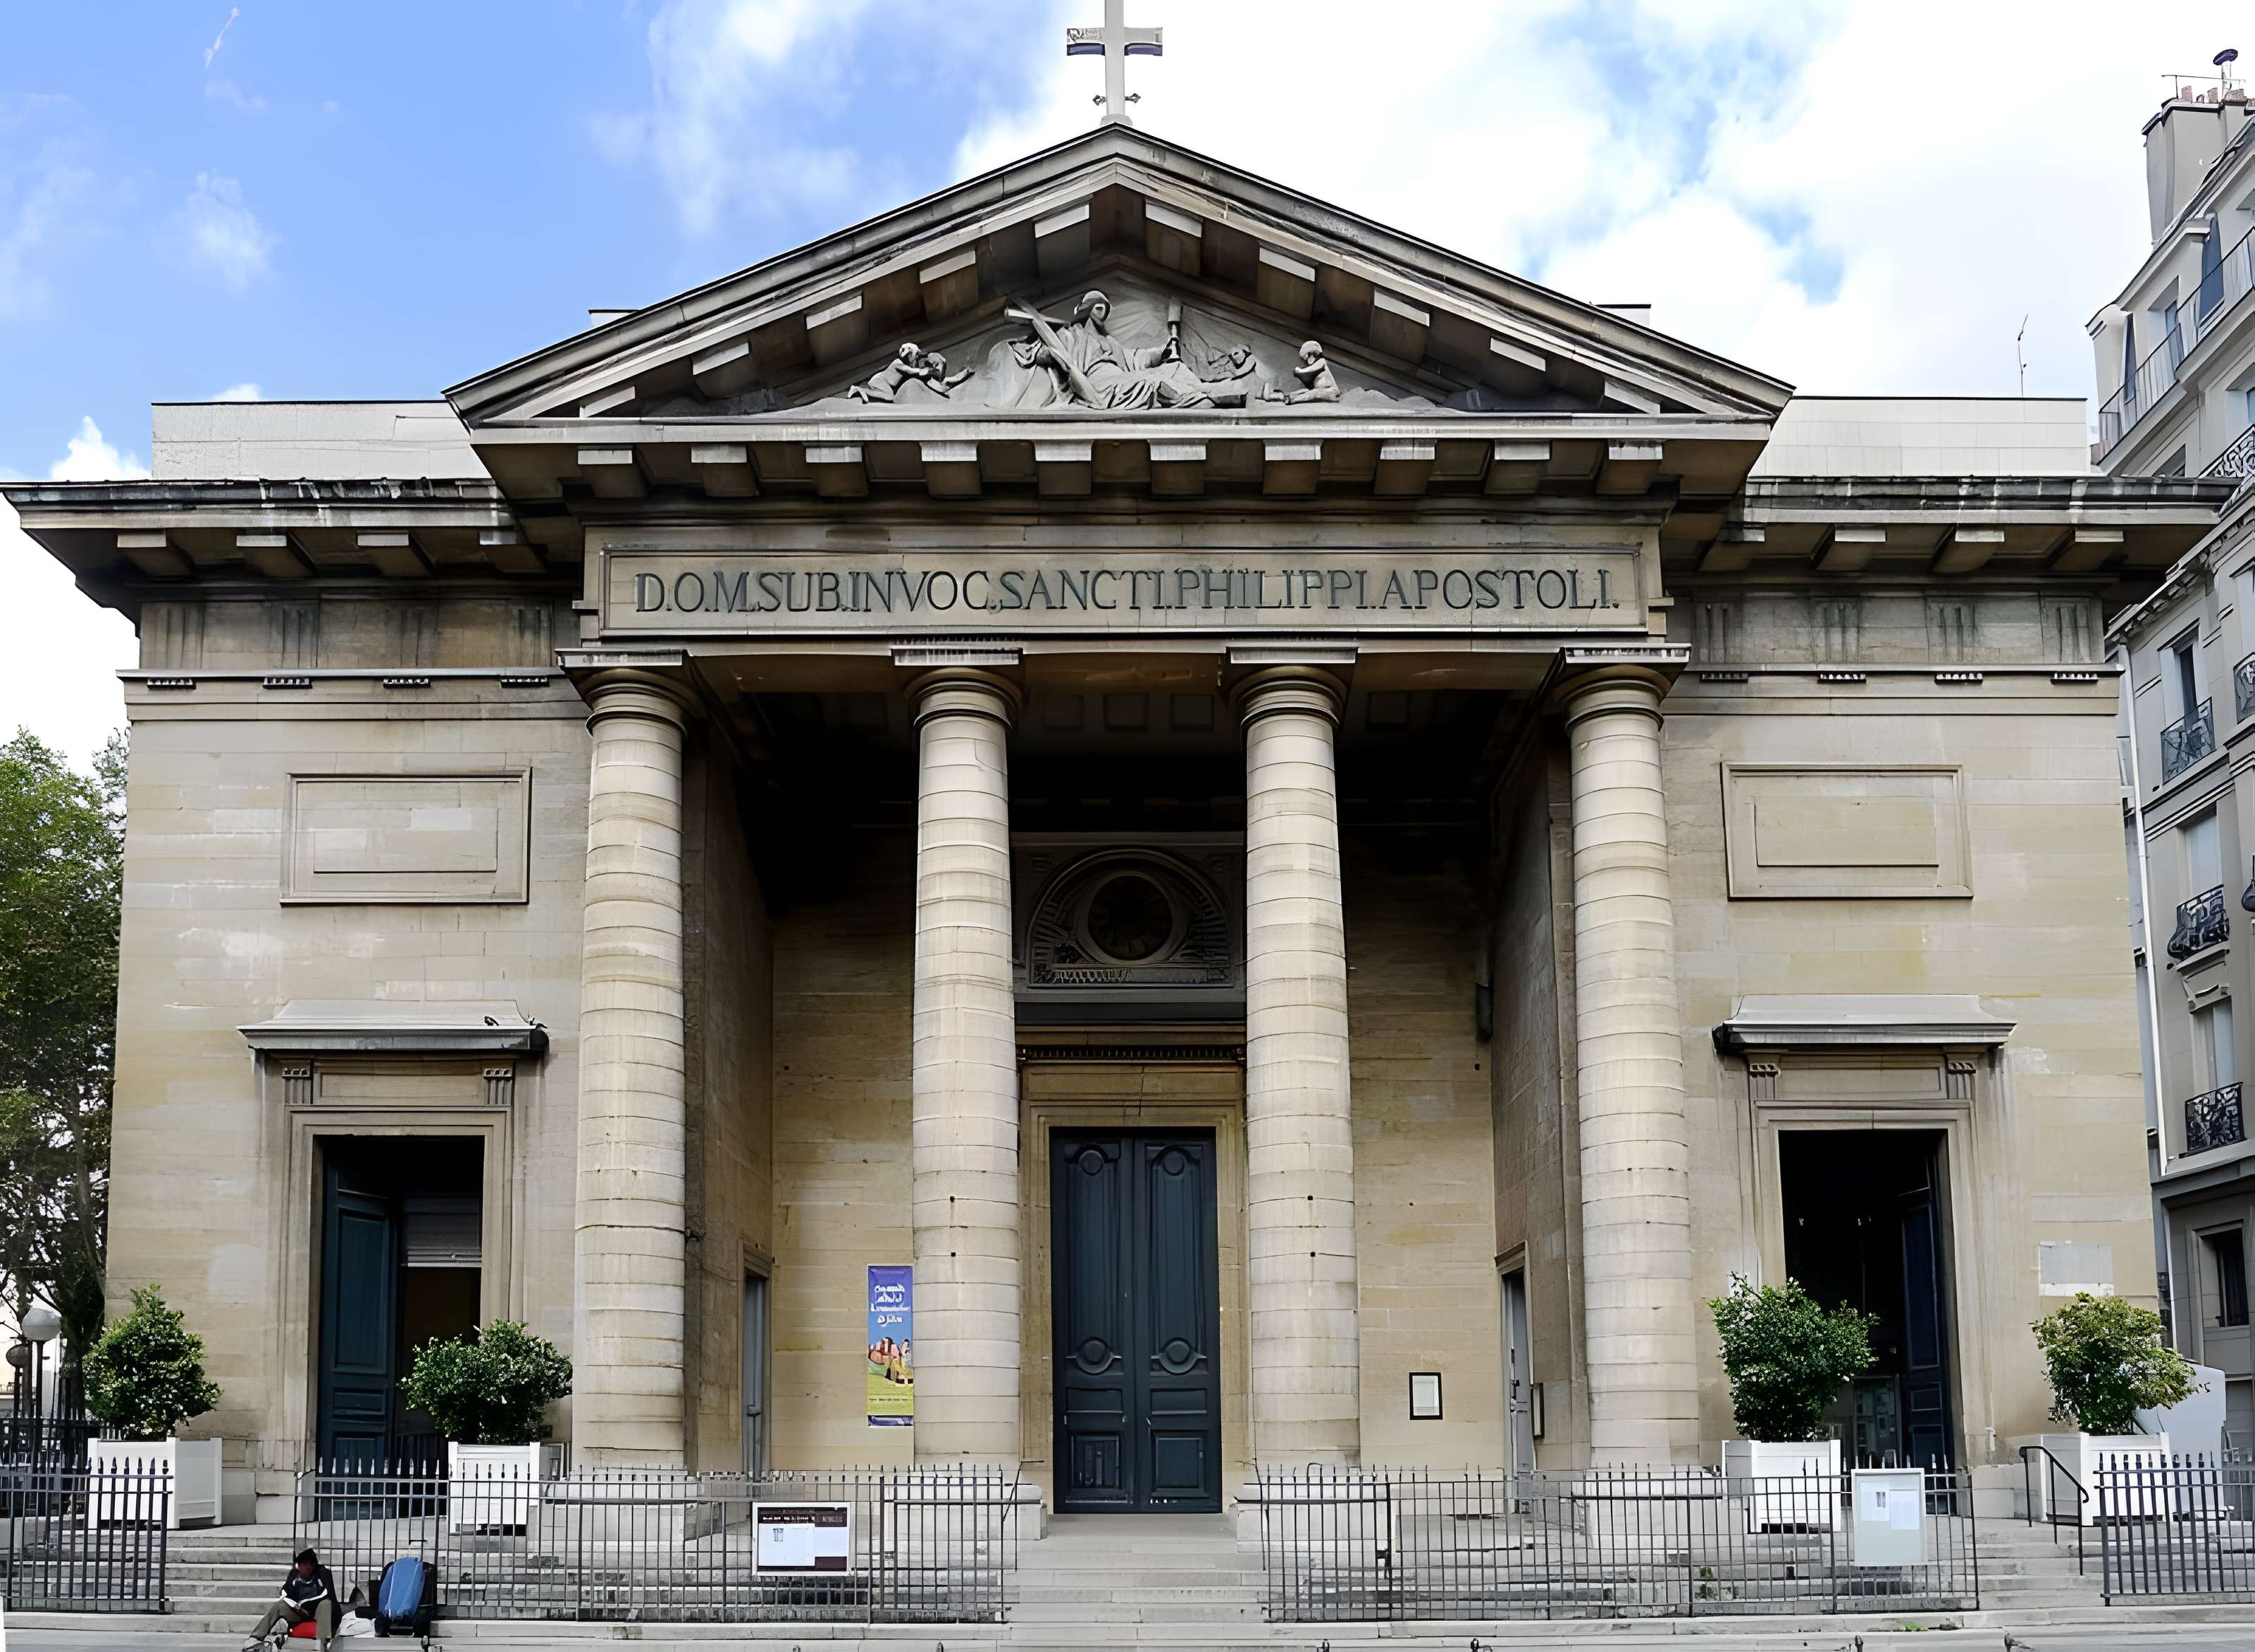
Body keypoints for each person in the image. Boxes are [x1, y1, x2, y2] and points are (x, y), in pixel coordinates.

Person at [242, 1548, 337, 1650]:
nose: (308, 1567)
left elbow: (327, 1594)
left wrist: (306, 1602)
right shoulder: (294, 1574)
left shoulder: (323, 1573)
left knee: (325, 1604)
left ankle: (324, 1644)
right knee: (280, 1605)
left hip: (317, 1612)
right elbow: (285, 1592)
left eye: (311, 1564)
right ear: (299, 1565)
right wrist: (295, 1604)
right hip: (299, 1611)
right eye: (305, 1563)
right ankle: (256, 1637)